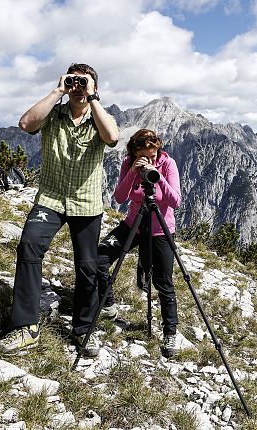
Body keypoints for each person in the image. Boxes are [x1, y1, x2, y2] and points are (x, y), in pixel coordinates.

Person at [0, 63, 119, 356]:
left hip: (86, 204)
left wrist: (93, 99)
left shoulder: (101, 117)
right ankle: (25, 327)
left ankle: (83, 330)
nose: (78, 87)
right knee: (28, 247)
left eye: (84, 82)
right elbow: (26, 124)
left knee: (88, 267)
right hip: (50, 199)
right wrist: (57, 90)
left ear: (95, 88)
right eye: (74, 81)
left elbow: (112, 138)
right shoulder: (53, 115)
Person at [97, 128, 182, 357]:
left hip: (160, 230)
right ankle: (109, 306)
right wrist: (132, 173)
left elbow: (175, 201)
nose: (148, 159)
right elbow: (120, 198)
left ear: (158, 150)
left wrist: (158, 175)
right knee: (100, 258)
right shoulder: (129, 163)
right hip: (133, 225)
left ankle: (169, 332)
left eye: (152, 154)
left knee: (163, 282)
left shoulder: (168, 164)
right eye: (143, 156)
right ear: (134, 153)